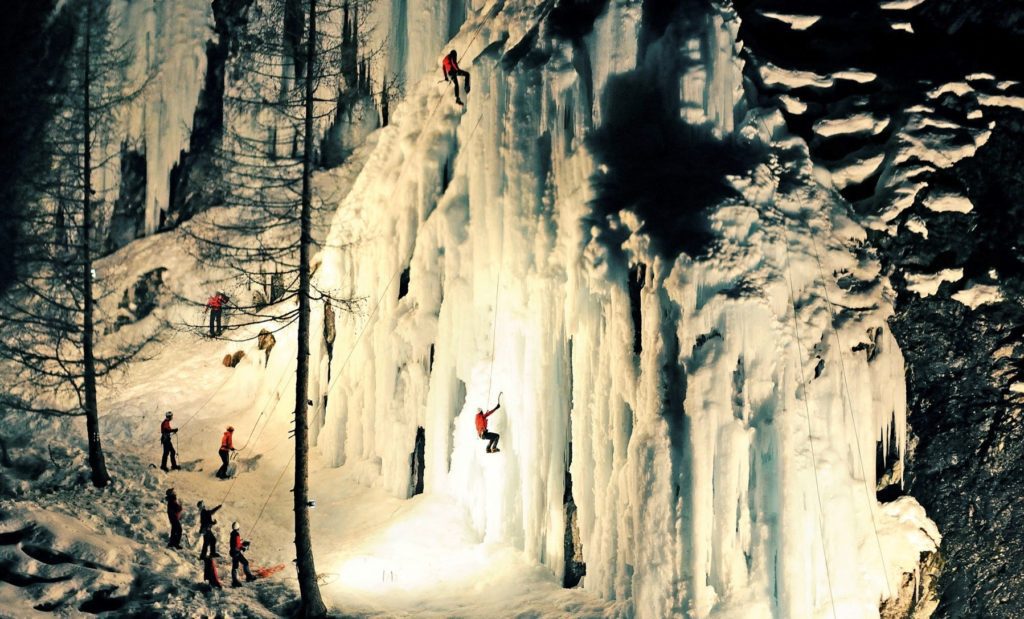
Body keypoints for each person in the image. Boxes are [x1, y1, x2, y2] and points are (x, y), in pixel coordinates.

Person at [228, 522, 256, 587]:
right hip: (236, 553)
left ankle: (234, 581)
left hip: (233, 552)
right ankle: (249, 577)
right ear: (238, 528)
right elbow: (237, 545)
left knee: (235, 566)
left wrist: (242, 544)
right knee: (245, 563)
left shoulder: (232, 533)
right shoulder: (237, 534)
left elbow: (235, 543)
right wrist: (243, 547)